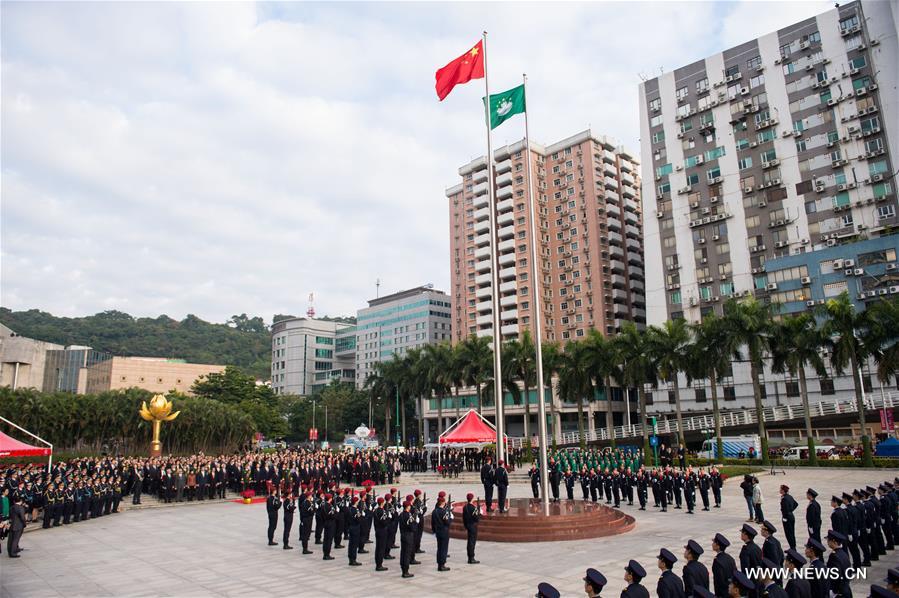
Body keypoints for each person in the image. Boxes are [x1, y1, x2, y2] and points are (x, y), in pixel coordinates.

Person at [825, 530, 852, 598]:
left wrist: (834, 591)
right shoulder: (843, 553)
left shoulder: (834, 556)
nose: (827, 542)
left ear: (834, 541)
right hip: (846, 589)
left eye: (829, 540)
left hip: (839, 593)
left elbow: (835, 576)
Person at [431, 493, 452, 572]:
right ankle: (442, 564)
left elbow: (432, 523)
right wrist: (451, 518)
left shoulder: (434, 511)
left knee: (439, 548)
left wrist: (434, 531)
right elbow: (447, 522)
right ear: (443, 503)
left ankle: (439, 563)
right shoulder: (443, 512)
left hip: (438, 532)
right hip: (444, 532)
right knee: (443, 548)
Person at [712, 533, 736, 598]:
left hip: (723, 593)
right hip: (731, 591)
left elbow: (718, 582)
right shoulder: (730, 558)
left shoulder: (717, 561)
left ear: (718, 546)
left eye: (714, 542)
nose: (712, 544)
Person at [399, 499, 416, 578]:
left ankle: (403, 568)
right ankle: (405, 571)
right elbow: (412, 528)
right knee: (407, 553)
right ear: (408, 507)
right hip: (408, 536)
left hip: (403, 535)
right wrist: (415, 522)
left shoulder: (401, 514)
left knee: (403, 552)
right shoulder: (408, 515)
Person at [462, 492, 480, 564]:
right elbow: (477, 519)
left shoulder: (465, 507)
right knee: (472, 542)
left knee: (469, 541)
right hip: (473, 526)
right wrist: (479, 513)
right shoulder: (473, 508)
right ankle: (471, 558)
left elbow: (464, 518)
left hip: (468, 525)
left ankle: (470, 556)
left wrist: (465, 525)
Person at [373, 496, 389, 571]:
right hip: (382, 531)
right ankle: (379, 565)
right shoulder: (382, 511)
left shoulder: (376, 510)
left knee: (378, 547)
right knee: (381, 548)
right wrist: (388, 518)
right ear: (382, 503)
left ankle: (378, 563)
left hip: (377, 530)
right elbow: (384, 522)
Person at [780, 485, 798, 551]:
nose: (779, 490)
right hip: (791, 516)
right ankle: (792, 547)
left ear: (783, 490)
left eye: (780, 489)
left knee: (789, 533)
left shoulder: (784, 498)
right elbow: (796, 504)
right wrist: (791, 510)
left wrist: (785, 515)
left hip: (787, 518)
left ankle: (792, 548)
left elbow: (785, 509)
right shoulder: (789, 496)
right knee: (791, 533)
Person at [347, 495, 362, 566]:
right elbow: (359, 520)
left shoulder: (349, 509)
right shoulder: (356, 510)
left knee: (351, 544)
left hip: (351, 527)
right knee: (354, 544)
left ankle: (351, 558)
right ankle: (353, 559)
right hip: (355, 528)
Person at [320, 493, 336, 561]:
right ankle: (327, 554)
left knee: (325, 539)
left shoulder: (323, 505)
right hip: (330, 523)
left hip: (325, 523)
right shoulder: (329, 506)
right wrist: (336, 512)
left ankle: (325, 554)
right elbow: (332, 515)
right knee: (329, 540)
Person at [299, 489, 315, 554]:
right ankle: (305, 549)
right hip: (307, 519)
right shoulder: (307, 503)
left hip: (306, 519)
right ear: (308, 496)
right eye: (311, 495)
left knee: (306, 534)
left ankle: (305, 548)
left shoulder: (305, 502)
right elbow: (311, 511)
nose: (311, 496)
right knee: (306, 535)